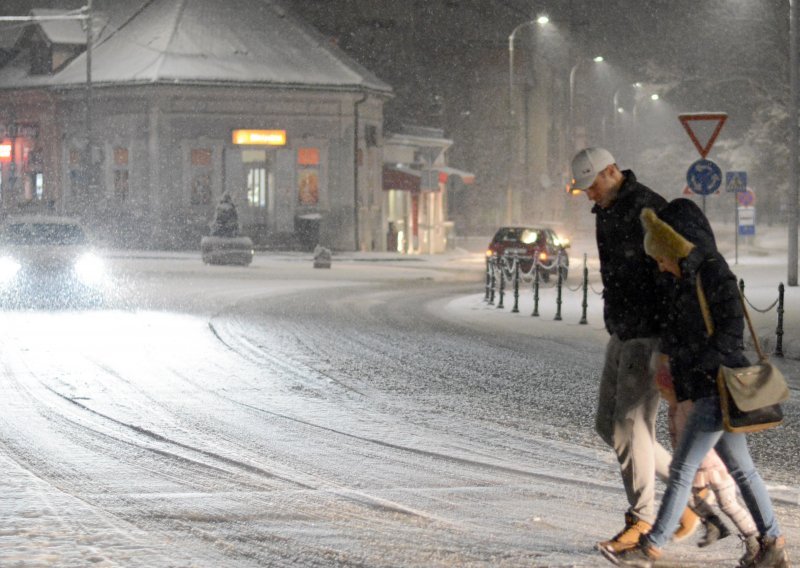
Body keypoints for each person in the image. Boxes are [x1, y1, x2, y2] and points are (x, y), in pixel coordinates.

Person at [602, 199, 789, 568]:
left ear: (675, 246)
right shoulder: (683, 280)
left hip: (715, 388)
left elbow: (730, 335)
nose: (660, 264)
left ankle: (651, 546)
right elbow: (679, 331)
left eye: (661, 257)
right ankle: (772, 543)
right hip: (704, 386)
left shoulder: (713, 274)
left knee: (684, 470)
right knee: (742, 470)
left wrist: (694, 365)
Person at [569, 147, 677, 553]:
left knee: (630, 427)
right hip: (623, 328)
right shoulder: (609, 211)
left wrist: (666, 337)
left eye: (591, 185)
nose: (588, 195)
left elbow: (670, 273)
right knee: (609, 425)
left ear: (611, 171)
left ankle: (644, 519)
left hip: (648, 331)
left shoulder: (648, 209)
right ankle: (687, 500)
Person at [655, 356, 759, 559]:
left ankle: (753, 539)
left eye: (664, 389)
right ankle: (713, 523)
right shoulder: (676, 407)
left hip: (713, 464)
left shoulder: (690, 403)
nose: (663, 393)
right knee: (689, 495)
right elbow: (677, 436)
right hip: (697, 465)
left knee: (728, 502)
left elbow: (701, 434)